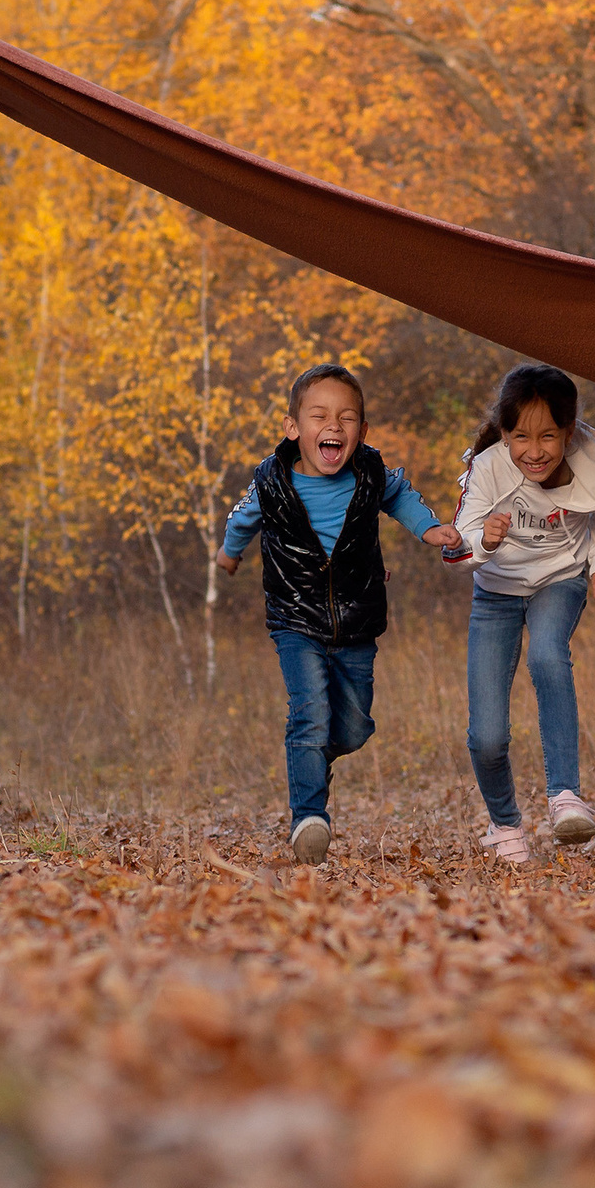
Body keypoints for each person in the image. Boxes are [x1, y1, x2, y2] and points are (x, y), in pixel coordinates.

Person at [216, 365, 463, 864]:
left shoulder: (371, 474)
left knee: (351, 728)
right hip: (295, 618)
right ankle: (309, 817)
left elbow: (401, 497)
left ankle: (311, 761)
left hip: (357, 618)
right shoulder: (272, 483)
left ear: (362, 432)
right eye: (320, 416)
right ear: (293, 428)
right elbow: (241, 519)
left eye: (347, 418)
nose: (335, 425)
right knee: (310, 715)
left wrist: (430, 529)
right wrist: (230, 553)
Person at [444, 365, 595, 865]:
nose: (535, 450)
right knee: (486, 735)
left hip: (559, 580)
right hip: (496, 592)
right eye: (521, 436)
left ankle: (565, 797)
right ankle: (505, 826)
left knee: (548, 657)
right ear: (504, 435)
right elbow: (458, 545)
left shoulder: (593, 465)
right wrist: (487, 539)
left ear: (569, 433)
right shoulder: (488, 470)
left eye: (548, 436)